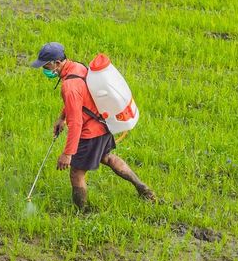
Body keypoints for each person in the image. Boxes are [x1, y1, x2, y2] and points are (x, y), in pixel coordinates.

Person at [30, 42, 157, 212]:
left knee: (76, 173)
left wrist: (67, 154)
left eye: (46, 65)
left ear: (57, 63)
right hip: (103, 125)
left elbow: (76, 123)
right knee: (108, 158)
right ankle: (143, 188)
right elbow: (78, 102)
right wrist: (62, 118)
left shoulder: (69, 87)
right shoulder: (78, 67)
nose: (44, 69)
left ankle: (82, 214)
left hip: (90, 133)